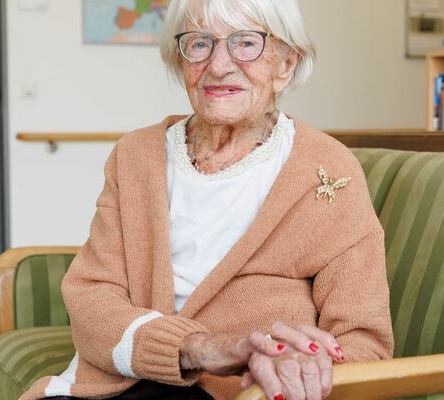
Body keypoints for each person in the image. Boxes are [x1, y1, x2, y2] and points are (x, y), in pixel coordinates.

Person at [21, 0, 392, 399]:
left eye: (246, 43)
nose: (218, 66)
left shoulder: (329, 168)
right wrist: (194, 348)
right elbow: (91, 298)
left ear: (286, 64)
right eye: (199, 44)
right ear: (181, 61)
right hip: (120, 381)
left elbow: (363, 341)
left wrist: (303, 365)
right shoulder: (135, 155)